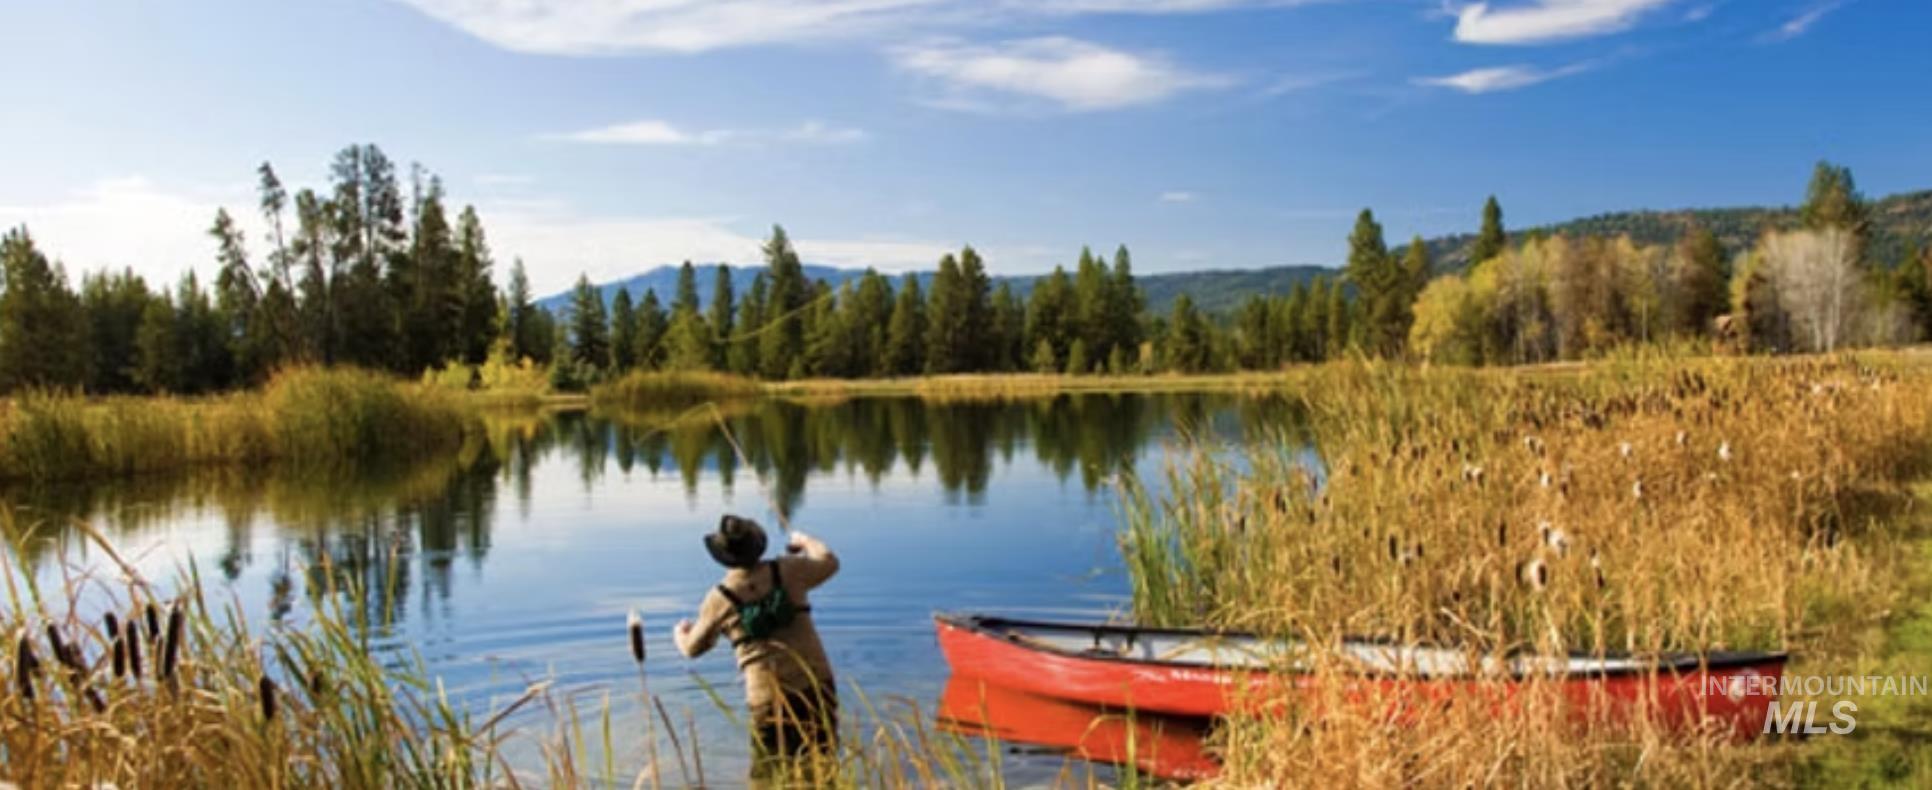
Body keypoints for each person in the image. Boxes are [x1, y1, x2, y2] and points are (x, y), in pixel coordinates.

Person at [675, 515, 840, 780]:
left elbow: (692, 649)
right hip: (816, 685)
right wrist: (805, 541)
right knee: (823, 767)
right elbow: (829, 562)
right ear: (758, 545)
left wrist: (680, 634)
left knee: (767, 773)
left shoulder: (720, 598)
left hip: (767, 698)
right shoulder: (789, 570)